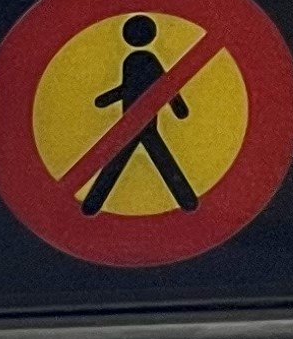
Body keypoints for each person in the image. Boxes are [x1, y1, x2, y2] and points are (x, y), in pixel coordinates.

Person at [82, 13, 204, 213]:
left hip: (138, 121)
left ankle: (91, 205)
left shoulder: (138, 60)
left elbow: (160, 86)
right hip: (137, 121)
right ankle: (188, 201)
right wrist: (178, 108)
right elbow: (152, 86)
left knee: (124, 161)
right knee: (157, 159)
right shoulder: (137, 60)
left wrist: (106, 99)